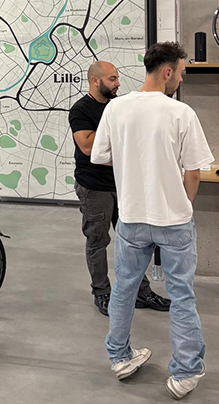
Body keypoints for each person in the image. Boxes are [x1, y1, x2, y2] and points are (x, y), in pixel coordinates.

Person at [91, 42, 213, 399]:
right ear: (167, 71)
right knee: (182, 295)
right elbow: (194, 171)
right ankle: (186, 372)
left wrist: (134, 162)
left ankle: (120, 357)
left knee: (124, 289)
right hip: (172, 218)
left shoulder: (116, 109)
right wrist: (183, 204)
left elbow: (100, 156)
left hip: (131, 216)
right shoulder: (180, 113)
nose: (181, 78)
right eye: (181, 72)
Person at [69, 61, 170, 316]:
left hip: (123, 183)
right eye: (112, 79)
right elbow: (88, 147)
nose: (118, 83)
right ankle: (102, 293)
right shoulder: (81, 109)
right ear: (95, 81)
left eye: (117, 78)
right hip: (94, 187)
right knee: (98, 240)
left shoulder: (117, 106)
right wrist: (114, 124)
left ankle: (141, 291)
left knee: (134, 241)